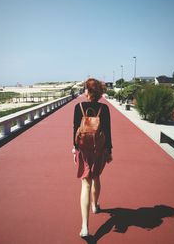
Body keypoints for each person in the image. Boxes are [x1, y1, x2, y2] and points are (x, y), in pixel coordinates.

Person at [72, 78, 113, 237]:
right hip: (99, 149)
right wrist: (109, 150)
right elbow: (108, 132)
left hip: (83, 149)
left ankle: (85, 227)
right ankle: (95, 206)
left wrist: (75, 150)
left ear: (88, 91)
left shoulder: (78, 107)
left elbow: (75, 129)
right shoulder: (104, 108)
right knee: (96, 177)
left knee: (85, 183)